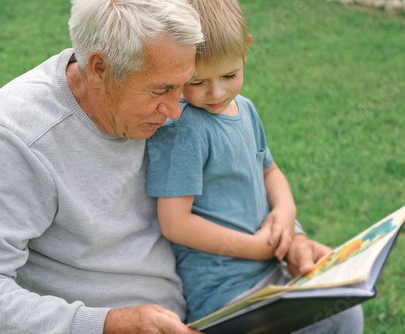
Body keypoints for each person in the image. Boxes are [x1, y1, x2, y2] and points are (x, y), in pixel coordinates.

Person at [0, 0, 351, 333]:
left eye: (182, 85)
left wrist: (290, 237)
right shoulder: (16, 138)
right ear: (100, 69)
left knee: (340, 313)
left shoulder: (167, 105)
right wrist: (106, 325)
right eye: (162, 90)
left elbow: (234, 174)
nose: (176, 112)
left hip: (202, 307)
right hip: (110, 324)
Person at [146, 0, 364, 331]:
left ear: (245, 49)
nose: (216, 92)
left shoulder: (244, 109)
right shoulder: (184, 128)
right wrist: (256, 249)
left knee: (345, 309)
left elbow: (269, 170)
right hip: (227, 292)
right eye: (196, 81)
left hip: (272, 271)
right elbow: (175, 223)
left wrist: (286, 213)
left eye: (230, 75)